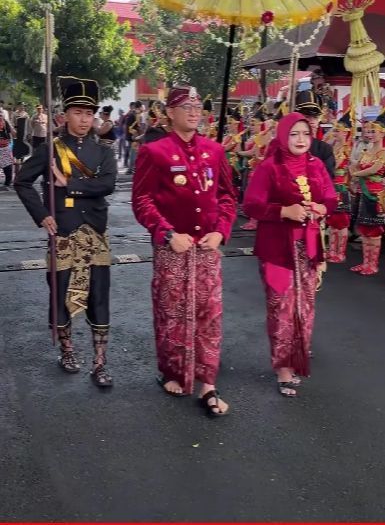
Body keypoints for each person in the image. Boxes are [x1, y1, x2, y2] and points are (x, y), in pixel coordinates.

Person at [132, 84, 236, 416]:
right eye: (185, 105)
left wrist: (221, 232)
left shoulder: (215, 151)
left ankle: (207, 381)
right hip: (172, 247)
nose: (194, 111)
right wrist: (165, 233)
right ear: (169, 113)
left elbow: (227, 197)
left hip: (207, 247)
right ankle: (173, 371)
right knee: (172, 312)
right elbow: (142, 201)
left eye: (197, 105)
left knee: (209, 313)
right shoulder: (155, 151)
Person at [14, 76, 117, 387]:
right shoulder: (51, 150)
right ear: (65, 115)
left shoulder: (104, 152)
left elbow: (107, 184)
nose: (84, 120)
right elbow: (22, 182)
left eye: (89, 114)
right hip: (63, 234)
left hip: (96, 235)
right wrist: (43, 215)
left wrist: (69, 184)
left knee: (99, 295)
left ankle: (100, 362)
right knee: (59, 293)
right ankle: (68, 350)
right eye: (78, 113)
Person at [244, 113, 337, 397]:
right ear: (283, 136)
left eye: (305, 134)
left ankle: (297, 360)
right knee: (281, 308)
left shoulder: (316, 165)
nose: (300, 140)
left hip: (308, 249)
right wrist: (283, 211)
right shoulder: (269, 167)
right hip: (277, 250)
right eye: (294, 134)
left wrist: (322, 208)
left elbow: (331, 197)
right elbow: (251, 205)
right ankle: (283, 369)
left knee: (305, 308)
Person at [349, 112, 385, 275]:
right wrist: (352, 168)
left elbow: (373, 169)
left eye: (373, 131)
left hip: (376, 195)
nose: (370, 135)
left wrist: (355, 174)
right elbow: (355, 164)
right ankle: (365, 263)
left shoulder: (382, 153)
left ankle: (373, 264)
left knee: (375, 231)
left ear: (382, 133)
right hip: (364, 193)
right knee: (364, 230)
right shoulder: (366, 152)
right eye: (368, 131)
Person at [326, 112, 353, 263]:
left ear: (345, 132)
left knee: (341, 222)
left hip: (341, 187)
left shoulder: (346, 148)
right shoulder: (333, 146)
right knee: (332, 221)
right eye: (334, 129)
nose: (334, 132)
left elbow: (333, 166)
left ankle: (340, 253)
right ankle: (331, 251)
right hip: (332, 185)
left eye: (338, 130)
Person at [0, 112, 14, 188]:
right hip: (5, 145)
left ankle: (8, 181)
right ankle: (8, 181)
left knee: (7, 164)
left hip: (5, 146)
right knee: (7, 164)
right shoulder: (5, 122)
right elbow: (10, 134)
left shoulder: (5, 122)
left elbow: (9, 133)